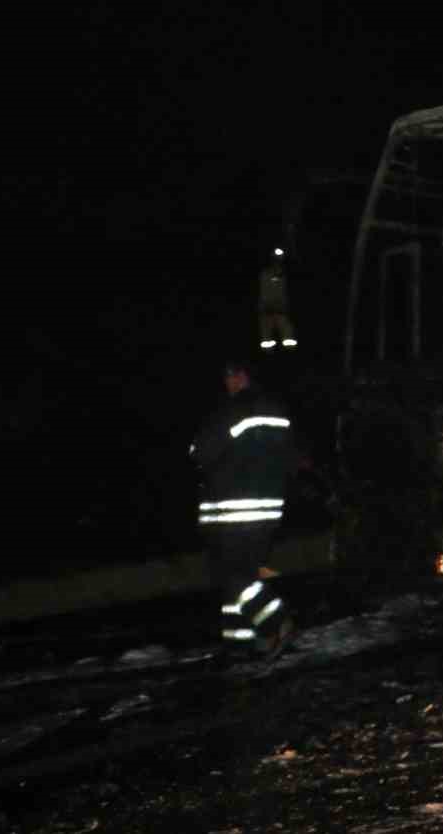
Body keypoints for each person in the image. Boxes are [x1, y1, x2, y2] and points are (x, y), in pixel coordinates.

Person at [190, 360, 296, 659]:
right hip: (267, 508)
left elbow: (202, 451)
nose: (228, 382)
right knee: (243, 574)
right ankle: (240, 642)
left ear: (242, 377)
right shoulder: (277, 411)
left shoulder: (232, 411)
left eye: (231, 376)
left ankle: (277, 622)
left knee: (234, 576)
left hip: (234, 508)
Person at [258, 247, 298, 351]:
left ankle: (287, 345)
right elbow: (265, 290)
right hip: (269, 306)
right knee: (268, 327)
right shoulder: (266, 274)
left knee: (283, 326)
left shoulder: (284, 274)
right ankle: (268, 347)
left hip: (279, 307)